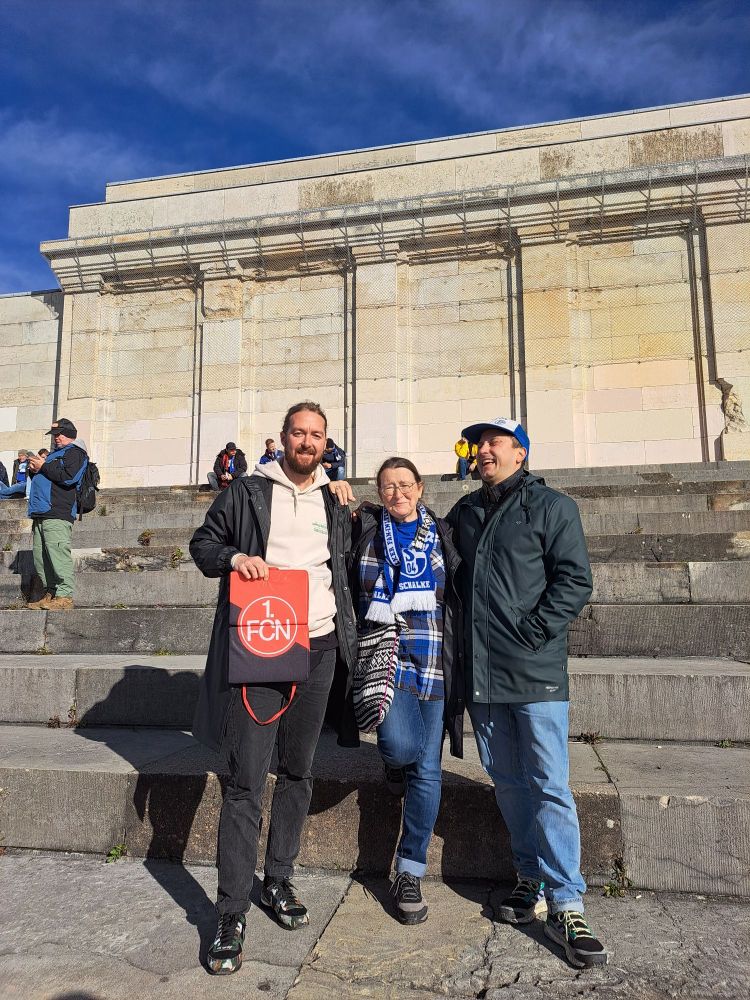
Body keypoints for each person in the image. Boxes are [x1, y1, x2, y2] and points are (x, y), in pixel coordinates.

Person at [189, 401, 357, 976]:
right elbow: (202, 546)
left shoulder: (336, 500)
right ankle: (231, 910)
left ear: (325, 444)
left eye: (316, 435)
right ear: (281, 438)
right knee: (244, 781)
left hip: (320, 645)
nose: (306, 442)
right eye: (298, 432)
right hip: (262, 641)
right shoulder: (246, 491)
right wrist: (237, 558)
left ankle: (278, 879)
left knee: (300, 771)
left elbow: (351, 561)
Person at [447, 416, 608, 969]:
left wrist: (534, 631)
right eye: (480, 443)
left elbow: (574, 579)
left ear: (520, 452)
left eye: (496, 442)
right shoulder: (465, 512)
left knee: (549, 783)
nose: (483, 450)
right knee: (510, 783)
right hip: (484, 677)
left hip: (534, 672)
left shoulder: (553, 507)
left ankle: (568, 899)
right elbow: (414, 534)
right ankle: (529, 875)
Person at [350, 457, 463, 926]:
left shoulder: (441, 532)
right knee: (402, 746)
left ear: (420, 488)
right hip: (387, 655)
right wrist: (337, 485)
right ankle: (394, 767)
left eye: (405, 485)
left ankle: (409, 869)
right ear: (380, 494)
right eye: (388, 487)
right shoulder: (369, 528)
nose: (397, 493)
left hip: (434, 659)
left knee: (428, 770)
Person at [25, 418, 88, 611]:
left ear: (70, 434)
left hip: (57, 512)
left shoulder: (76, 453)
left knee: (57, 554)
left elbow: (69, 478)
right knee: (41, 557)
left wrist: (43, 466)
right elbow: (49, 476)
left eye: (59, 434)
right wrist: (34, 470)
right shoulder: (54, 455)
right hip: (41, 511)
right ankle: (50, 593)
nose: (56, 438)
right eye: (54, 435)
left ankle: (64, 596)